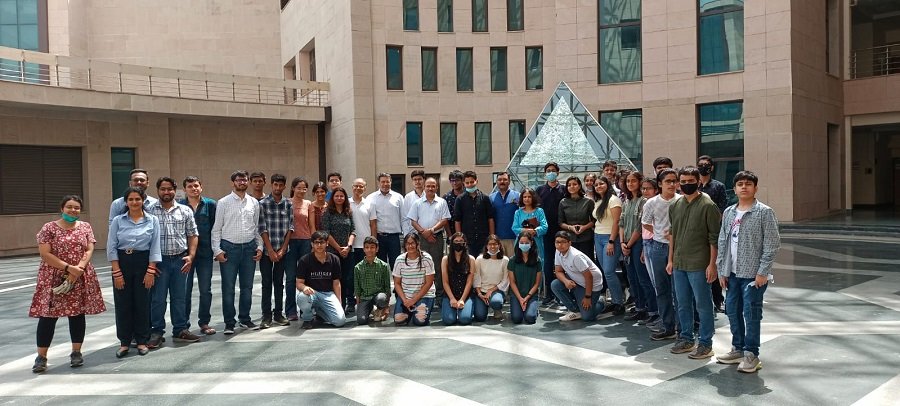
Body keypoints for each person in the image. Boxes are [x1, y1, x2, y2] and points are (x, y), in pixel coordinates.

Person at [30, 195, 106, 373]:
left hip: (79, 275)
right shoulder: (49, 228)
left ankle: (76, 352)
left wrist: (79, 268)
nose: (73, 210)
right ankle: (41, 356)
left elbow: (89, 248)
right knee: (48, 316)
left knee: (77, 314)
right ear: (62, 208)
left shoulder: (85, 226)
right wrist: (68, 268)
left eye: (76, 207)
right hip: (54, 276)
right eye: (69, 207)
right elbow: (45, 253)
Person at [715, 171, 780, 373]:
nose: (744, 187)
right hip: (732, 273)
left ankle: (752, 354)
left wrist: (763, 272)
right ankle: (738, 348)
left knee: (751, 314)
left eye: (748, 184)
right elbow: (722, 241)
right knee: (732, 311)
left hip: (753, 275)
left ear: (755, 188)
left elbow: (772, 244)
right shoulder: (729, 212)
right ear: (734, 189)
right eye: (740, 184)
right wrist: (721, 270)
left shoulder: (764, 212)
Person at [667, 166, 721, 359]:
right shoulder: (675, 204)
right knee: (682, 303)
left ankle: (706, 343)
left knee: (703, 305)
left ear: (698, 182)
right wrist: (670, 259)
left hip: (699, 264)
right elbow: (672, 233)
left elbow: (715, 238)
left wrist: (712, 264)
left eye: (691, 181)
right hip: (679, 263)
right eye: (683, 181)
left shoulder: (708, 205)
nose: (686, 184)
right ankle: (686, 338)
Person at [107, 187, 161, 358]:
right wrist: (116, 272)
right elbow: (111, 246)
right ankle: (124, 342)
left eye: (137, 199)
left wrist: (151, 270)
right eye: (130, 199)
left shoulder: (152, 220)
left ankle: (142, 341)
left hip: (143, 263)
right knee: (123, 304)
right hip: (122, 262)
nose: (134, 202)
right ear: (126, 202)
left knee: (142, 303)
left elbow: (155, 246)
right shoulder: (118, 220)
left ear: (143, 201)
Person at [147, 177, 199, 348]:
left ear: (175, 190)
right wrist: (150, 264)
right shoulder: (149, 210)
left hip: (180, 260)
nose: (166, 192)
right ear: (157, 190)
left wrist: (191, 256)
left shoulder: (185, 210)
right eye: (163, 189)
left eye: (169, 189)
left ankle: (180, 329)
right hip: (159, 262)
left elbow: (193, 234)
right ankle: (156, 331)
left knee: (180, 297)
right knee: (158, 299)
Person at [211, 170, 263, 334]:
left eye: (244, 180)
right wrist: (217, 250)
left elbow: (257, 227)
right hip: (229, 248)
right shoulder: (223, 202)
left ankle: (245, 319)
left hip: (249, 248)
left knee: (247, 287)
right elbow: (216, 229)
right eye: (238, 180)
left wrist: (260, 246)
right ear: (232, 182)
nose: (242, 182)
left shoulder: (254, 202)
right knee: (228, 288)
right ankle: (229, 322)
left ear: (248, 182)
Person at [641, 168, 681, 341]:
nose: (672, 184)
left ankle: (683, 327)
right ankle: (667, 326)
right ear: (660, 184)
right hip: (658, 247)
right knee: (661, 288)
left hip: (679, 248)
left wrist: (674, 235)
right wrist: (659, 232)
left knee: (679, 290)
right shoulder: (651, 203)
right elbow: (645, 223)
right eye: (668, 181)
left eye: (674, 181)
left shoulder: (681, 200)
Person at [179, 176, 217, 335]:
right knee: (184, 290)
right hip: (185, 255)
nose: (193, 188)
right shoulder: (179, 206)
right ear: (185, 189)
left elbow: (216, 228)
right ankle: (184, 324)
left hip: (205, 253)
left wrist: (216, 249)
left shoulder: (211, 204)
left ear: (201, 187)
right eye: (190, 186)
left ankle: (204, 322)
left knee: (205, 290)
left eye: (196, 185)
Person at [619, 171, 658, 324]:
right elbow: (621, 223)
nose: (630, 184)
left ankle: (652, 310)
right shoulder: (627, 201)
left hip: (638, 244)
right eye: (628, 181)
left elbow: (640, 227)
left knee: (643, 279)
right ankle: (639, 307)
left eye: (633, 181)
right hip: (626, 244)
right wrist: (622, 242)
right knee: (632, 279)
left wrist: (629, 244)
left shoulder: (644, 202)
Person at [258, 174, 294, 329]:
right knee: (266, 283)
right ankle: (266, 316)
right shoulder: (263, 203)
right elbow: (262, 228)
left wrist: (283, 249)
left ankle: (278, 313)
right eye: (275, 185)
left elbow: (290, 227)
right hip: (267, 251)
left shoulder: (288, 203)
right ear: (271, 185)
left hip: (282, 251)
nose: (278, 188)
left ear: (284, 186)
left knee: (279, 283)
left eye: (281, 185)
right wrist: (270, 250)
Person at [407, 177, 451, 303]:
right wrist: (424, 232)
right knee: (421, 265)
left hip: (437, 238)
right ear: (424, 187)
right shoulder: (417, 203)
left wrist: (431, 230)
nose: (430, 188)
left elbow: (445, 220)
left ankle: (439, 295)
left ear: (437, 187)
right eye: (428, 186)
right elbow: (413, 221)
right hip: (421, 238)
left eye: (433, 186)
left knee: (437, 266)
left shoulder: (442, 202)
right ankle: (423, 294)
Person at [296, 231, 346, 329]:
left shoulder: (334, 259)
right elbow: (299, 283)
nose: (319, 245)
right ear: (312, 244)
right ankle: (308, 319)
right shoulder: (304, 260)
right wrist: (304, 288)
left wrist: (339, 302)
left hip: (328, 294)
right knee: (302, 297)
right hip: (312, 294)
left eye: (322, 242)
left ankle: (320, 314)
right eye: (316, 242)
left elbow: (336, 283)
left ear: (327, 243)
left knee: (340, 321)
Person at [551, 231, 605, 321]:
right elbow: (558, 271)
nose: (560, 245)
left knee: (587, 317)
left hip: (592, 285)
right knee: (555, 285)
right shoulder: (558, 251)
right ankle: (576, 311)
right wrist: (566, 281)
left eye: (563, 242)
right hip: (577, 281)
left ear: (569, 243)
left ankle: (601, 302)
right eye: (557, 242)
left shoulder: (576, 256)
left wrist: (587, 297)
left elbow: (589, 277)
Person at [698, 155, 728, 313]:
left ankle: (718, 300)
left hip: (714, 230)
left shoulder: (718, 186)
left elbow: (722, 208)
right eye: (700, 164)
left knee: (714, 264)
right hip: (697, 232)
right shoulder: (693, 185)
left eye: (706, 164)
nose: (703, 167)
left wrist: (713, 224)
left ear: (712, 167)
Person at [592, 176, 626, 315]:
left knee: (609, 271)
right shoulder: (598, 201)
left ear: (607, 184)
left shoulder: (614, 200)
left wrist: (611, 241)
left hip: (610, 239)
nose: (598, 186)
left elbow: (617, 222)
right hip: (598, 237)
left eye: (601, 184)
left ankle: (619, 302)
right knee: (605, 271)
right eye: (596, 185)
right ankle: (615, 301)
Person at [322, 186, 356, 314]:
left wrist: (348, 246)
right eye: (337, 196)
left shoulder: (348, 212)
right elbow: (326, 232)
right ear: (332, 197)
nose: (339, 198)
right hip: (332, 251)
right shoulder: (327, 212)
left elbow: (353, 231)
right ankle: (335, 307)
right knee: (334, 279)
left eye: (342, 196)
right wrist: (338, 248)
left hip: (347, 252)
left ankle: (344, 305)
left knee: (347, 279)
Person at [536, 162, 565, 306]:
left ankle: (562, 294)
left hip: (562, 233)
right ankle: (549, 293)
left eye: (553, 170)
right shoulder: (540, 190)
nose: (550, 172)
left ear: (558, 173)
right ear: (545, 173)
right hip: (546, 234)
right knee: (548, 264)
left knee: (562, 263)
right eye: (548, 170)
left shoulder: (564, 189)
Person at [283, 178, 312, 322]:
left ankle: (305, 308)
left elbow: (311, 225)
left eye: (304, 188)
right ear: (293, 188)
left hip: (305, 241)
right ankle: (290, 310)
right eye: (299, 188)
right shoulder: (286, 202)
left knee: (305, 277)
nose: (301, 191)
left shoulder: (308, 204)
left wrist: (312, 241)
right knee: (290, 277)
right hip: (290, 242)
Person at [392, 233, 436, 326]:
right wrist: (405, 300)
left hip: (424, 295)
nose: (410, 246)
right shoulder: (399, 260)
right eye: (407, 243)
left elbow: (429, 283)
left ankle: (418, 310)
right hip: (406, 296)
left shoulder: (427, 258)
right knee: (399, 320)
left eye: (412, 243)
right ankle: (411, 311)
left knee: (420, 321)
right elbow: (397, 283)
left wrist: (413, 300)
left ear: (418, 244)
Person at [453, 170, 495, 256]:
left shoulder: (485, 198)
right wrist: (459, 238)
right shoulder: (460, 199)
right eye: (467, 183)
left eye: (472, 182)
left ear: (476, 181)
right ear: (464, 183)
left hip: (483, 239)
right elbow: (457, 220)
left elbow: (490, 218)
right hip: (467, 240)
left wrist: (492, 237)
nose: (470, 184)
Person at [368, 172, 404, 267]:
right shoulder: (371, 198)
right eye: (383, 182)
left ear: (391, 182)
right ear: (378, 183)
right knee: (380, 265)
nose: (385, 184)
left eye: (387, 182)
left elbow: (403, 218)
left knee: (396, 265)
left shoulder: (398, 197)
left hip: (394, 238)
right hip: (379, 237)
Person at [354, 236, 392, 324]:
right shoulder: (358, 267)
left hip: (378, 296)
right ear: (363, 249)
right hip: (365, 298)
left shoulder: (384, 266)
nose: (369, 250)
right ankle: (372, 310)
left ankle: (380, 309)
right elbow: (357, 288)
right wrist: (359, 305)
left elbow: (387, 287)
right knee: (361, 320)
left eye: (372, 247)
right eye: (367, 247)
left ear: (377, 249)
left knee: (381, 299)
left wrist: (386, 305)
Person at [440, 232, 475, 326]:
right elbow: (445, 282)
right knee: (448, 320)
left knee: (465, 319)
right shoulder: (445, 259)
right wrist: (452, 298)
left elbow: (469, 281)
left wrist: (462, 299)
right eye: (456, 241)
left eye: (461, 241)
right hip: (450, 294)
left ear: (465, 243)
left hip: (465, 295)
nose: (458, 243)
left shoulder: (471, 259)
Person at [507, 232, 542, 324]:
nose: (524, 245)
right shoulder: (512, 260)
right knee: (516, 318)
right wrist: (520, 298)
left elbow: (537, 283)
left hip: (531, 294)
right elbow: (512, 282)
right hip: (516, 294)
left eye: (526, 243)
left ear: (531, 243)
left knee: (530, 318)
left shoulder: (537, 261)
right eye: (521, 243)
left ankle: (534, 309)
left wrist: (527, 297)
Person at [473, 235, 510, 321]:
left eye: (495, 244)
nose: (492, 246)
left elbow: (505, 280)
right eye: (490, 244)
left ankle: (497, 308)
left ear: (499, 245)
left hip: (497, 290)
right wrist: (479, 294)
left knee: (496, 302)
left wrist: (491, 290)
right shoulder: (479, 259)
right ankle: (484, 305)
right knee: (480, 317)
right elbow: (476, 277)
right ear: (486, 246)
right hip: (482, 291)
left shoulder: (505, 260)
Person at [558, 176, 595, 259]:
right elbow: (560, 222)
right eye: (569, 185)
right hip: (569, 239)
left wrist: (584, 227)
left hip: (586, 238)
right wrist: (570, 227)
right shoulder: (563, 202)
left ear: (579, 186)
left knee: (587, 261)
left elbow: (594, 220)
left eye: (574, 184)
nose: (572, 187)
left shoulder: (588, 201)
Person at [511, 188, 548, 263]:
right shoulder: (518, 212)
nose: (527, 199)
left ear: (533, 197)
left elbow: (544, 227)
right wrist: (526, 231)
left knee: (537, 263)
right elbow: (514, 228)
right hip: (521, 243)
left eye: (529, 197)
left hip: (536, 242)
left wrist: (535, 231)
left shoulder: (539, 211)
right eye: (524, 197)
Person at [490, 171, 520, 256]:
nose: (502, 182)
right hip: (497, 239)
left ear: (509, 181)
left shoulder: (518, 196)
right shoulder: (491, 198)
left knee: (513, 262)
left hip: (514, 238)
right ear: (496, 182)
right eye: (499, 180)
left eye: (505, 179)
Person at [349, 178, 376, 267]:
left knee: (365, 270)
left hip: (365, 245)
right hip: (350, 245)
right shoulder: (346, 203)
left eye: (361, 186)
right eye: (356, 186)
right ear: (352, 187)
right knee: (351, 272)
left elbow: (373, 225)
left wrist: (373, 243)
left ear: (365, 188)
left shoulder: (370, 204)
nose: (358, 188)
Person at [401, 169, 426, 236]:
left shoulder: (429, 195)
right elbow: (405, 218)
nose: (417, 181)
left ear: (424, 180)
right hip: (413, 234)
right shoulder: (408, 197)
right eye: (415, 179)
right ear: (412, 181)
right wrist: (406, 235)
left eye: (419, 179)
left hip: (427, 233)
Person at [442, 170, 465, 237]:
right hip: (452, 233)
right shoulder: (446, 197)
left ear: (462, 181)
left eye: (457, 180)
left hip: (468, 232)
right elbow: (445, 218)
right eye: (452, 181)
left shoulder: (468, 195)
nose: (454, 183)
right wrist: (450, 236)